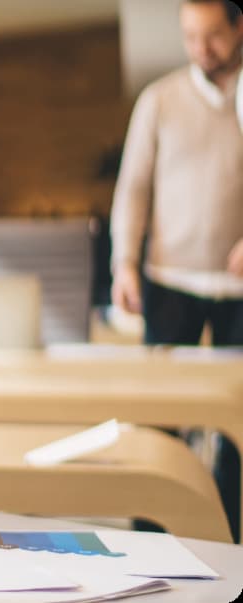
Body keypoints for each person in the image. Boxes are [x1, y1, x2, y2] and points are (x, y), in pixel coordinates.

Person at [110, 0, 243, 541]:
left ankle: (233, 540)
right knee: (158, 420)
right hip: (169, 283)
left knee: (236, 424)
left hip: (238, 289)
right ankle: (148, 539)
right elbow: (133, 187)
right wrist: (124, 263)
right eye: (191, 36)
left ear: (239, 28)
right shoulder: (159, 100)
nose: (200, 48)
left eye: (211, 35)